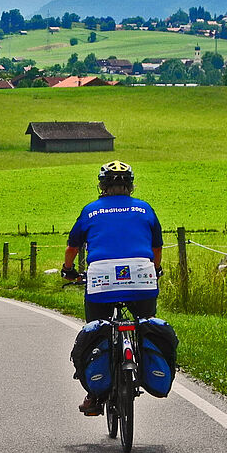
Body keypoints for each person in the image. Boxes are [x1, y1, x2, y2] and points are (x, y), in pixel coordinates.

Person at [63, 160, 164, 416]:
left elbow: (72, 248)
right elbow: (156, 248)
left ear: (101, 186)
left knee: (96, 332)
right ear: (130, 185)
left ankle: (94, 395)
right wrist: (156, 269)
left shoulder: (90, 211)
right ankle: (146, 368)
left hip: (101, 281)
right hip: (142, 277)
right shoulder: (145, 209)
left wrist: (68, 270)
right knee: (145, 323)